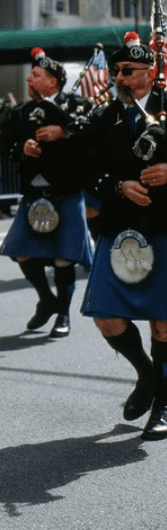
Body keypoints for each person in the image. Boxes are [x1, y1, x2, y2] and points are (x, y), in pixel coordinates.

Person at [81, 33, 167, 439]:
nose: (119, 77)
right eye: (115, 71)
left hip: (164, 226)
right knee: (105, 316)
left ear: (150, 73)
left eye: (128, 71)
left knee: (164, 322)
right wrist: (118, 186)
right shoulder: (103, 118)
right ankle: (147, 376)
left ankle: (163, 403)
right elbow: (87, 171)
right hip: (120, 231)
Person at [0, 49, 93, 338]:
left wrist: (64, 133)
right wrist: (22, 149)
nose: (29, 78)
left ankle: (63, 313)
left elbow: (93, 137)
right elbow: (5, 146)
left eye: (37, 75)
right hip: (33, 195)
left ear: (53, 81)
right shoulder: (22, 112)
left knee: (64, 258)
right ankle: (47, 300)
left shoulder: (78, 106)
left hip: (66, 192)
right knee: (21, 252)